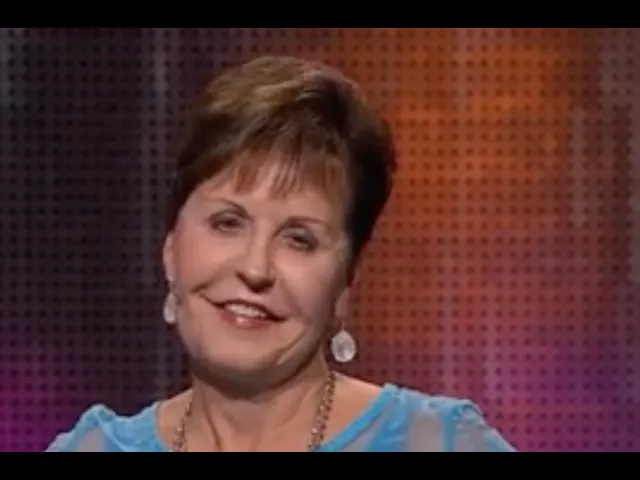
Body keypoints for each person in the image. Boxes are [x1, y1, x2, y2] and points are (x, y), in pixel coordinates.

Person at [45, 55, 515, 452]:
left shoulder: (437, 442)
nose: (255, 268)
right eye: (227, 222)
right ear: (171, 248)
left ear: (345, 282)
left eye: (299, 239)